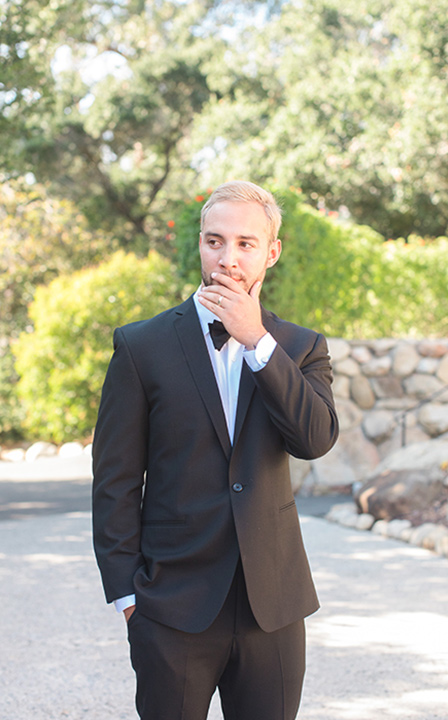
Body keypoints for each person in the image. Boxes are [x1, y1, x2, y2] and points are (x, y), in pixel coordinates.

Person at [92, 180, 339, 720]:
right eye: (214, 241)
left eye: (246, 244)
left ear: (271, 251)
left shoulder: (300, 348)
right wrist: (128, 598)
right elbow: (114, 479)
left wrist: (257, 342)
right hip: (171, 608)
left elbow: (315, 438)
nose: (228, 258)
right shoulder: (141, 346)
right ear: (199, 244)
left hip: (272, 608)